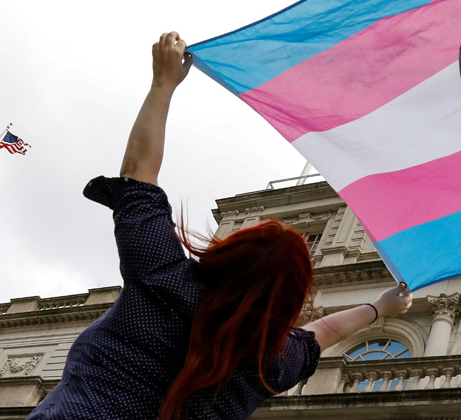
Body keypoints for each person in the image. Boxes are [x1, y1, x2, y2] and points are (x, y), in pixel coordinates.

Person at [27, 32, 413, 420]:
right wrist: (380, 308)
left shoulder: (164, 278)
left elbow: (138, 173)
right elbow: (324, 333)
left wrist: (163, 83)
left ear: (226, 253)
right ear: (291, 298)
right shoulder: (271, 363)